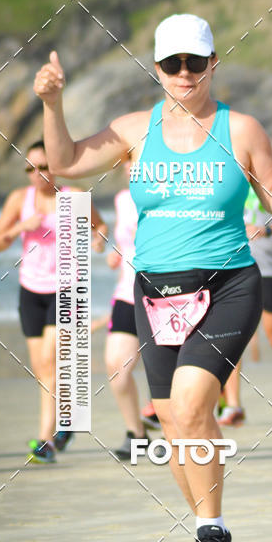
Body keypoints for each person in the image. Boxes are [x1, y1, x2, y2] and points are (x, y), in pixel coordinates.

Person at [33, 13, 272, 542]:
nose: (184, 73)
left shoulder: (242, 130)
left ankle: (214, 540)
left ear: (214, 63)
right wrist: (53, 105)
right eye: (171, 63)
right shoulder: (135, 130)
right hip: (154, 292)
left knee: (189, 406)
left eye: (195, 61)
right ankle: (212, 535)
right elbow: (64, 165)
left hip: (228, 284)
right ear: (156, 69)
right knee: (172, 420)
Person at [0, 141, 106, 462]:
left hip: (67, 289)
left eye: (43, 167)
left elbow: (100, 226)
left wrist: (98, 240)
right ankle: (64, 422)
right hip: (31, 292)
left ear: (56, 168)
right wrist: (18, 228)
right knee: (43, 368)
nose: (37, 174)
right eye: (30, 168)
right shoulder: (19, 200)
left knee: (49, 365)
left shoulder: (75, 197)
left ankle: (46, 440)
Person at [218, 182, 272, 429]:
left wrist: (267, 230)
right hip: (234, 269)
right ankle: (233, 405)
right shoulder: (227, 183)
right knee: (230, 338)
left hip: (270, 270)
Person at [105, 164, 149, 459]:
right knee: (116, 369)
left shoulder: (172, 194)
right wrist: (115, 252)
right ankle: (137, 433)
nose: (135, 167)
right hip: (127, 293)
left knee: (173, 375)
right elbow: (124, 241)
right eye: (130, 159)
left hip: (168, 295)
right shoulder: (122, 199)